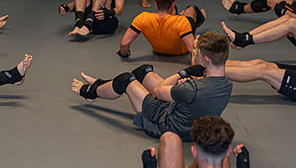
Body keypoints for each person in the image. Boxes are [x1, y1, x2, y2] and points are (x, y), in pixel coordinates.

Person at [71, 32, 232, 140]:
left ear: (206, 60)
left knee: (125, 79)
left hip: (166, 126)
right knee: (144, 71)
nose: (194, 54)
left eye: (196, 52)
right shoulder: (227, 84)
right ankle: (103, 85)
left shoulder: (192, 89)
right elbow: (196, 97)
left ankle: (89, 92)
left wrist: (183, 73)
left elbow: (159, 90)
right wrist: (187, 85)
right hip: (189, 123)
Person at [117, 0, 206, 58]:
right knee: (191, 9)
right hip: (180, 52)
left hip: (158, 51)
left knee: (175, 13)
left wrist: (124, 54)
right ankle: (200, 18)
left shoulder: (142, 17)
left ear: (155, 3)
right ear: (173, 3)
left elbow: (124, 43)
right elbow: (192, 50)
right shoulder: (183, 21)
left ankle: (175, 15)